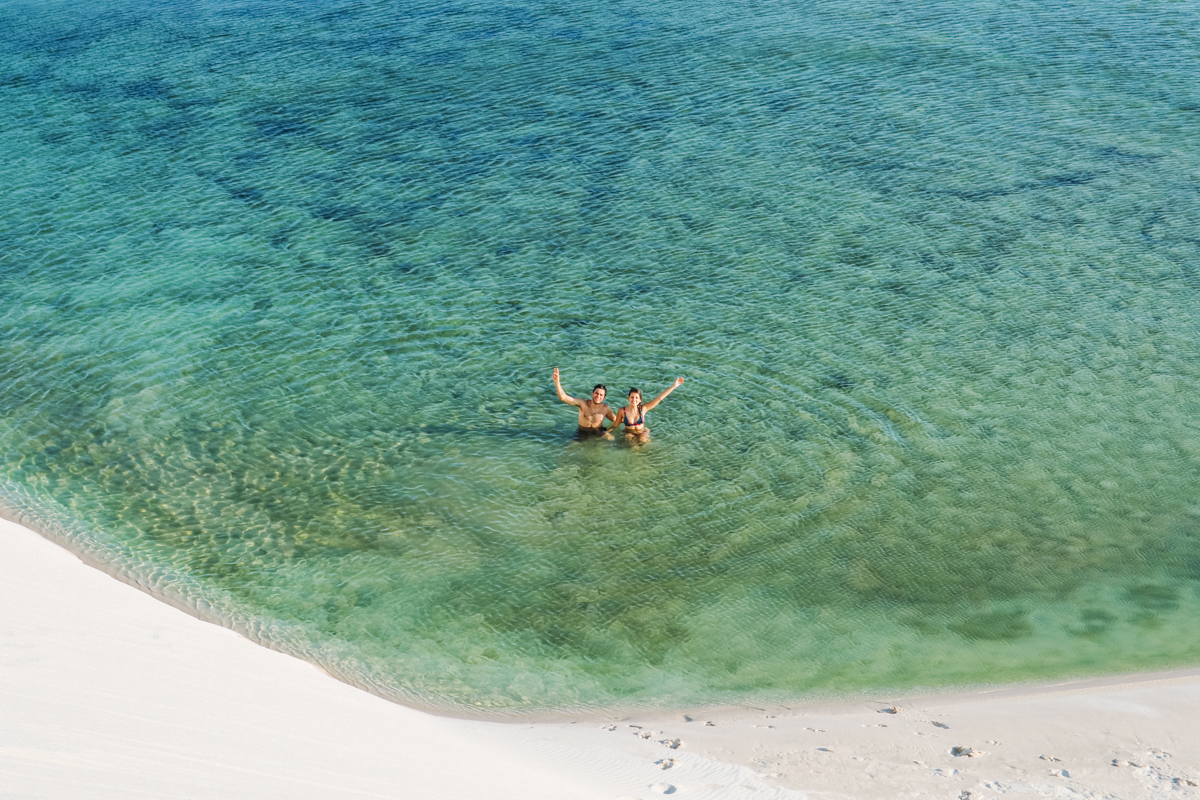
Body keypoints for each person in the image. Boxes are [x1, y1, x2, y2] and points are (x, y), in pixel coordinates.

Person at [553, 368, 617, 437]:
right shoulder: (583, 404)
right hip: (582, 432)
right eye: (596, 393)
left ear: (604, 397)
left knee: (611, 439)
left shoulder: (606, 409)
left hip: (598, 432)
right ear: (592, 394)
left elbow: (616, 420)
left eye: (601, 395)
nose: (598, 396)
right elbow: (563, 397)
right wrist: (557, 383)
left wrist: (608, 431)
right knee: (571, 445)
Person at [613, 378, 684, 440]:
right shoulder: (622, 411)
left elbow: (659, 398)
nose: (634, 400)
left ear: (640, 400)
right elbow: (616, 425)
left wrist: (673, 386)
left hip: (642, 431)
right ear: (628, 399)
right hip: (629, 433)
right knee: (630, 440)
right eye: (632, 397)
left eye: (636, 398)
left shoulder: (643, 409)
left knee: (643, 440)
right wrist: (606, 433)